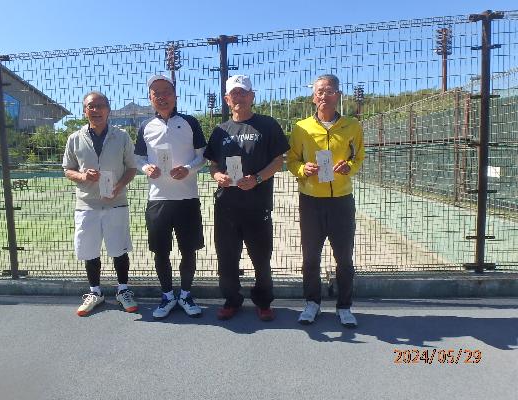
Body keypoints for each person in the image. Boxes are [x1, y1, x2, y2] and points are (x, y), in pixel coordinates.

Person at [204, 75, 290, 322]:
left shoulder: (267, 125)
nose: (239, 97)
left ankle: (263, 302)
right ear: (227, 99)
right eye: (234, 93)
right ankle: (232, 300)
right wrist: (218, 175)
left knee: (261, 259)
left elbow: (278, 161)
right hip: (226, 207)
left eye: (243, 92)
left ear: (252, 96)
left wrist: (258, 178)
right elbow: (212, 165)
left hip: (257, 205)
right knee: (227, 258)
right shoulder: (220, 130)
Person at [287, 74, 365, 327]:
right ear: (313, 98)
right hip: (311, 200)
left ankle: (344, 306)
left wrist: (349, 167)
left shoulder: (352, 126)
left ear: (338, 95)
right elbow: (292, 160)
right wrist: (303, 169)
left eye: (329, 91)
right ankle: (312, 303)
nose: (324, 96)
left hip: (342, 200)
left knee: (344, 258)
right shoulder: (301, 128)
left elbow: (359, 157)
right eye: (319, 92)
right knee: (310, 257)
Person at [134, 75, 207, 319]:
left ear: (175, 96)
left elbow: (202, 157)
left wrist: (188, 169)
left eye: (166, 91)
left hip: (187, 199)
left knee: (188, 250)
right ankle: (167, 296)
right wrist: (146, 168)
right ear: (150, 98)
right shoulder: (145, 126)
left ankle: (185, 294)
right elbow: (138, 158)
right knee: (161, 252)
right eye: (156, 93)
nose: (162, 96)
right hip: (158, 200)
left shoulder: (190, 122)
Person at [62, 91, 139, 317]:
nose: (96, 110)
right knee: (89, 251)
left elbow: (132, 168)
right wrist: (82, 176)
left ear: (108, 110)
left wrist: (119, 186)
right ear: (84, 111)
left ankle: (123, 290)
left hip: (116, 202)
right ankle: (95, 292)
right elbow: (67, 169)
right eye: (91, 106)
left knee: (119, 249)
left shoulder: (122, 136)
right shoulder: (74, 138)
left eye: (101, 106)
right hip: (87, 204)